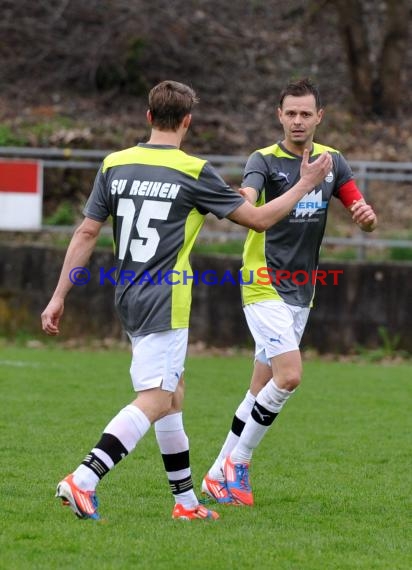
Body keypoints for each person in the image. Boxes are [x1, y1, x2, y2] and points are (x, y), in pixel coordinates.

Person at [41, 79, 332, 521]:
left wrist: (59, 295)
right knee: (157, 397)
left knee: (173, 395)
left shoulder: (114, 164)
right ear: (188, 122)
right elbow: (256, 220)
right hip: (166, 297)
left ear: (148, 117)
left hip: (127, 294)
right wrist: (304, 183)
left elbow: (86, 232)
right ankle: (84, 478)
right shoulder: (193, 171)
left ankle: (186, 503)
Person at [202, 77, 378, 506]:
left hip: (302, 289)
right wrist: (247, 195)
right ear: (279, 115)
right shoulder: (262, 160)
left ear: (319, 117)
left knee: (259, 387)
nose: (298, 121)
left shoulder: (333, 161)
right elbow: (249, 204)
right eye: (290, 113)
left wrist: (365, 216)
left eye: (306, 113)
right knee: (290, 376)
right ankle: (238, 463)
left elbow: (359, 207)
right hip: (262, 280)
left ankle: (213, 476)